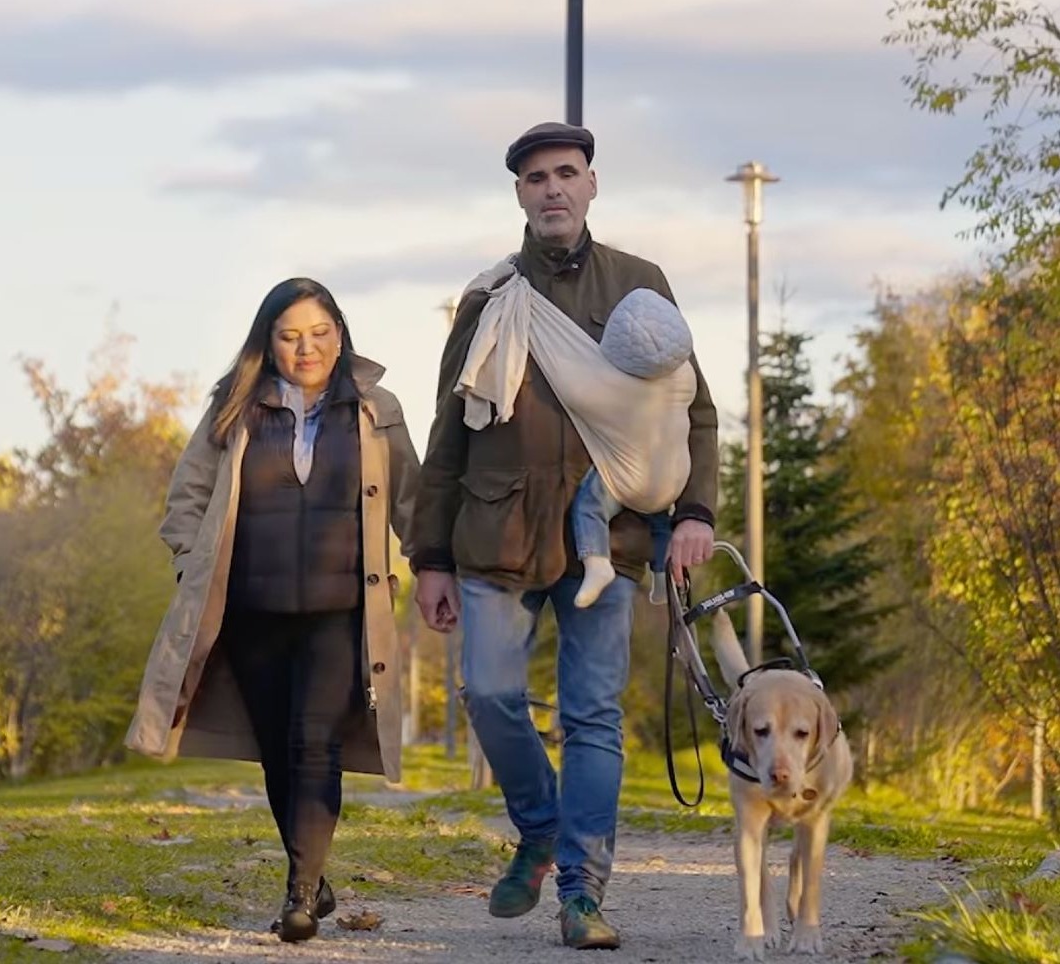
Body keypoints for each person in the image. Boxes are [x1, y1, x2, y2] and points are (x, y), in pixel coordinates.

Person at [411, 122, 719, 950]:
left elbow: (692, 410)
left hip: (606, 538)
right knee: (489, 692)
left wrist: (693, 512)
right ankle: (541, 826)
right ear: (518, 193)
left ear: (591, 185)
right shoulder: (489, 297)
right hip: (495, 532)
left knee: (592, 717)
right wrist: (429, 556)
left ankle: (583, 890)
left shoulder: (640, 286)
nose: (552, 188)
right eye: (537, 177)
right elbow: (448, 436)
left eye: (567, 174)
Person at [126, 277, 419, 944]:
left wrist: (436, 569)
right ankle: (312, 874)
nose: (305, 347)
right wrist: (190, 568)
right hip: (249, 613)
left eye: (319, 333)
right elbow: (187, 499)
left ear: (340, 335)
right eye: (289, 336)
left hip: (340, 610)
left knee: (314, 742)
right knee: (277, 753)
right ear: (269, 342)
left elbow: (413, 505)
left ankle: (298, 895)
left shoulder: (376, 410)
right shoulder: (235, 408)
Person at [567, 287, 696, 609]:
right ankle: (664, 575)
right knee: (660, 521)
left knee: (589, 504)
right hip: (669, 478)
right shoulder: (685, 375)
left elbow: (581, 396)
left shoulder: (616, 383)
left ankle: (596, 563)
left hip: (628, 477)